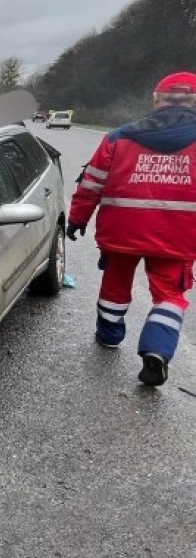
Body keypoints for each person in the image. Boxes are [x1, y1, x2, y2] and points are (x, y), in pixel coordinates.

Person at [67, 71, 196, 387]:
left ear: (156, 100)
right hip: (177, 238)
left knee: (115, 284)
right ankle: (156, 351)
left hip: (121, 232)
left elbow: (91, 184)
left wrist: (77, 219)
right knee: (170, 296)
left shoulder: (119, 138)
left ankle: (109, 335)